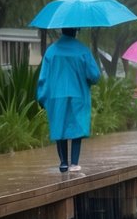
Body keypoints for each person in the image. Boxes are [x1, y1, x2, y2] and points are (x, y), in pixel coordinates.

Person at [37, 28, 101, 174]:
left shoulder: (51, 51)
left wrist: (42, 98)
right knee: (77, 127)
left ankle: (63, 163)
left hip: (56, 96)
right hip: (78, 95)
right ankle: (74, 163)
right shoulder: (83, 50)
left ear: (62, 31)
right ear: (75, 32)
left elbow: (43, 78)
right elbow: (95, 75)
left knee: (59, 127)